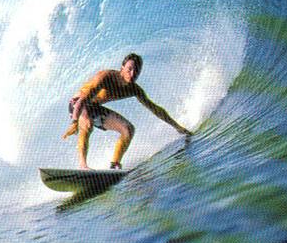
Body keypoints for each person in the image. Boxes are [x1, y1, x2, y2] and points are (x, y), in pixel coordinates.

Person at [63, 53, 192, 170]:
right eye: (130, 69)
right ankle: (83, 166)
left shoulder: (134, 89)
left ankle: (115, 165)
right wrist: (74, 122)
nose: (132, 73)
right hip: (78, 104)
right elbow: (82, 100)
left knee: (128, 129)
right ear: (122, 67)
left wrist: (178, 127)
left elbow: (156, 109)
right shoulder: (105, 77)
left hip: (95, 108)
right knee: (87, 123)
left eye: (136, 71)